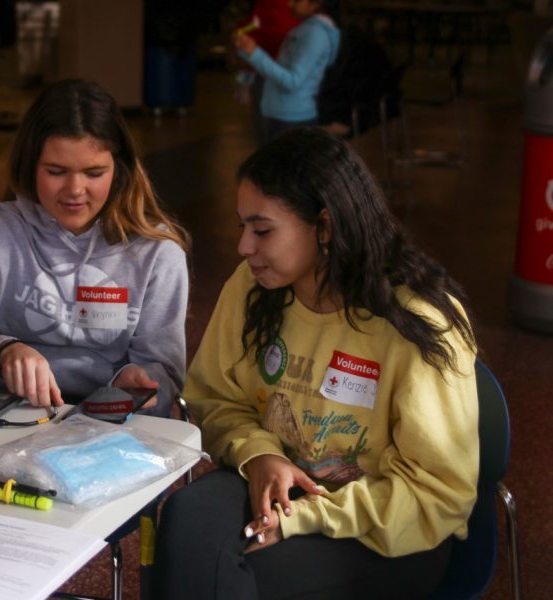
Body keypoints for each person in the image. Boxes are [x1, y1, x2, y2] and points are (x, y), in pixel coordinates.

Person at [153, 128, 479, 598]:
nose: (244, 246)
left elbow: (438, 494)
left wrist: (305, 517)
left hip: (386, 526)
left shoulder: (417, 323)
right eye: (243, 226)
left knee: (234, 577)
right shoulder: (252, 288)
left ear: (324, 227)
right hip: (277, 486)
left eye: (262, 230)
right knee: (186, 522)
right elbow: (213, 398)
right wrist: (259, 454)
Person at [0, 78, 190, 416]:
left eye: (94, 173)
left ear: (119, 171)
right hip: (7, 411)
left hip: (110, 421)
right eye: (56, 171)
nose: (75, 189)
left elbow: (166, 375)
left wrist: (143, 380)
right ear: (29, 165)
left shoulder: (157, 254)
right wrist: (2, 350)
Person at [234, 0, 340, 143]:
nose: (289, 4)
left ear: (315, 3)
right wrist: (248, 53)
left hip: (292, 116)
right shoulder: (304, 29)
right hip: (282, 113)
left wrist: (254, 54)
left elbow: (292, 81)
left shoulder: (315, 34)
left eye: (296, 0)